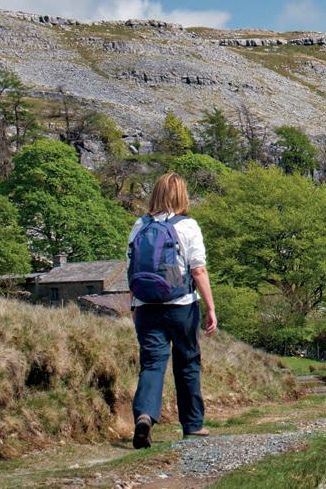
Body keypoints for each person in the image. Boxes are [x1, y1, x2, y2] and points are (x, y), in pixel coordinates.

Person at [128, 172, 217, 449]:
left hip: (146, 307)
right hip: (182, 306)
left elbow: (131, 269)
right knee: (187, 362)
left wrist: (134, 305)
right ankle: (192, 425)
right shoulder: (187, 226)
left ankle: (144, 416)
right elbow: (198, 270)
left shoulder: (139, 226)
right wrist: (211, 307)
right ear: (182, 195)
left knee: (152, 363)